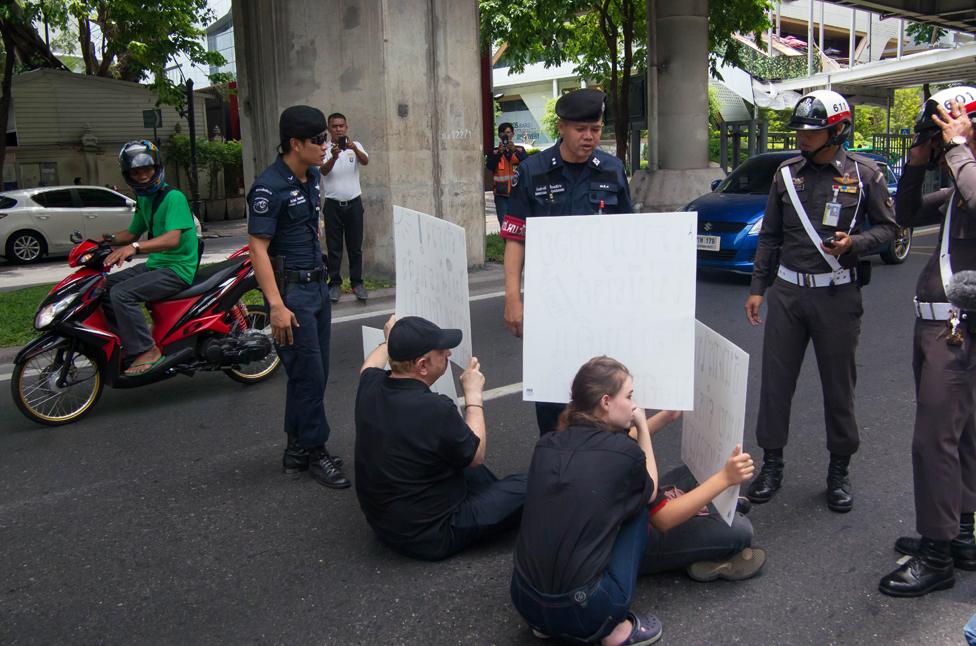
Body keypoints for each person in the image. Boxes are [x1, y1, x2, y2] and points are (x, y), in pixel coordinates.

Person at [511, 357, 756, 645]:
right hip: (589, 609)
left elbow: (622, 455)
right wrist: (725, 478)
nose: (634, 403)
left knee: (665, 482)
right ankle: (616, 631)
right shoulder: (622, 454)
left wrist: (661, 419)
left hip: (525, 600)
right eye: (629, 396)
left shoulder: (548, 444)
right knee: (740, 531)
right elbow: (655, 503)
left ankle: (551, 623)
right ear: (605, 401)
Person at [744, 90, 898, 512]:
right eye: (800, 131)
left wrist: (856, 242)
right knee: (775, 385)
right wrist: (759, 288)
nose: (803, 139)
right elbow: (770, 236)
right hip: (788, 294)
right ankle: (772, 465)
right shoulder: (785, 175)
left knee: (838, 386)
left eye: (812, 132)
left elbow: (890, 230)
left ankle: (838, 471)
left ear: (838, 130)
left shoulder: (865, 174)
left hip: (837, 294)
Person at [878, 89, 976, 597]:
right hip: (938, 326)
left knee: (934, 441)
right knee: (958, 436)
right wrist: (916, 162)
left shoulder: (970, 174)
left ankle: (936, 556)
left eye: (947, 131)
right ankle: (959, 533)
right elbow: (908, 213)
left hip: (956, 330)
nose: (942, 144)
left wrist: (958, 146)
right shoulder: (959, 183)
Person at [501, 88, 633, 435]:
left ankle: (602, 470)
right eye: (580, 129)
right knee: (552, 396)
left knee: (603, 393)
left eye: (595, 128)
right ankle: (555, 468)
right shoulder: (533, 171)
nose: (589, 137)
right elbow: (516, 237)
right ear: (561, 127)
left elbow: (631, 239)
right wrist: (513, 299)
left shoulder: (612, 170)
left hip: (600, 303)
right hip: (551, 306)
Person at [355, 315, 527, 561]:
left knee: (459, 455)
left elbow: (369, 365)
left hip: (385, 523)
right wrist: (473, 396)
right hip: (432, 534)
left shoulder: (370, 385)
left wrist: (387, 342)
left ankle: (494, 503)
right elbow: (476, 456)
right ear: (422, 365)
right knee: (531, 482)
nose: (448, 353)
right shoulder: (434, 408)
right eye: (441, 351)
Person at [247, 105, 349, 490]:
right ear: (295, 143)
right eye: (318, 140)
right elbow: (258, 248)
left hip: (316, 287)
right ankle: (315, 450)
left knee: (311, 376)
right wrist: (275, 304)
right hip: (292, 295)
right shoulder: (268, 187)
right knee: (310, 377)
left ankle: (296, 450)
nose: (326, 145)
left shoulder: (307, 178)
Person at [101, 140, 199, 376]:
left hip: (178, 268)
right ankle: (127, 342)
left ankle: (148, 350)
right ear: (128, 175)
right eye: (136, 172)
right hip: (158, 264)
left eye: (147, 170)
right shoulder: (145, 199)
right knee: (103, 286)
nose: (143, 176)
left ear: (157, 168)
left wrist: (133, 248)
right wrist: (102, 241)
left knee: (122, 294)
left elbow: (172, 239)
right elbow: (131, 233)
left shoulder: (173, 198)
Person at [321, 112, 369, 303]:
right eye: (335, 126)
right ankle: (335, 284)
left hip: (354, 204)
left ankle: (357, 283)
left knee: (355, 247)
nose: (338, 129)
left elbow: (365, 161)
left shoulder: (355, 146)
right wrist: (333, 157)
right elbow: (322, 171)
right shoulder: (323, 149)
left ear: (346, 127)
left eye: (341, 126)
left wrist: (353, 149)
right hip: (333, 205)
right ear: (329, 129)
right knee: (334, 248)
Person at [486, 122, 528, 229]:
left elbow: (528, 163)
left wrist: (514, 151)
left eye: (508, 132)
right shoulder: (495, 152)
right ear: (500, 136)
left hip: (518, 194)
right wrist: (499, 153)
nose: (506, 135)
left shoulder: (519, 150)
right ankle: (507, 245)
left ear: (513, 134)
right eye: (504, 133)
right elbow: (490, 166)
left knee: (519, 226)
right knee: (504, 226)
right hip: (501, 196)